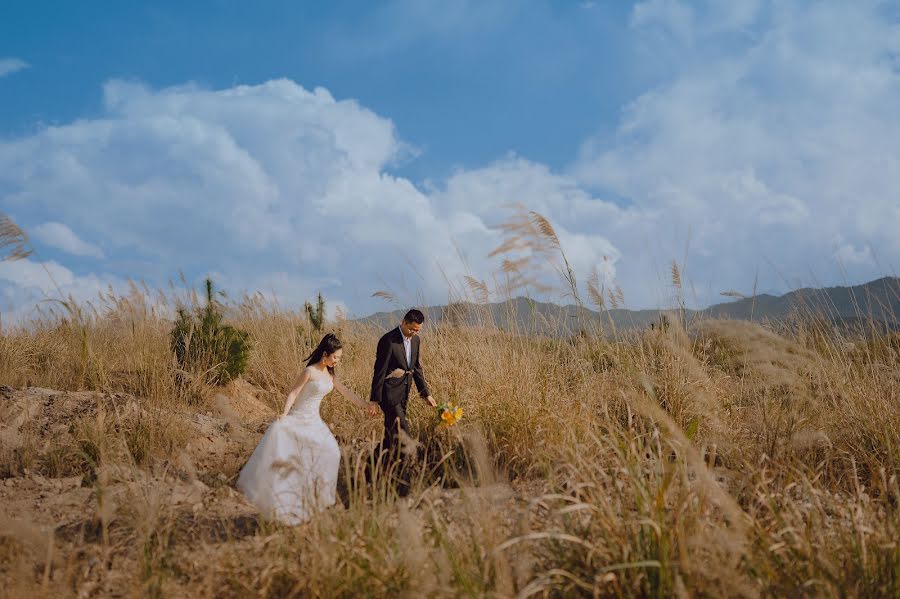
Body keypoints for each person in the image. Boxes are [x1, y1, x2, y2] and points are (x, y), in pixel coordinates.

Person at [237, 333, 368, 525]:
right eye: (335, 357)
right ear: (325, 354)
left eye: (339, 358)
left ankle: (314, 502)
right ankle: (285, 505)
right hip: (299, 418)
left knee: (331, 451)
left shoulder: (330, 374)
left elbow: (346, 393)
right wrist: (284, 413)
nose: (337, 361)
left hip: (315, 421)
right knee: (296, 460)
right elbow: (293, 392)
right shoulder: (310, 371)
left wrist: (366, 405)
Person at [369, 309, 437, 469]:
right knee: (403, 432)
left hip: (404, 394)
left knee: (390, 436)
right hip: (389, 395)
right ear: (403, 322)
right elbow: (379, 370)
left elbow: (416, 368)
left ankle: (370, 469)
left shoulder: (416, 341)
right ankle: (406, 471)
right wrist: (374, 400)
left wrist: (425, 394)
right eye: (411, 329)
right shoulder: (388, 340)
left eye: (417, 330)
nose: (414, 332)